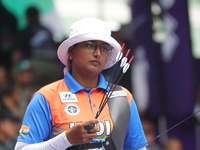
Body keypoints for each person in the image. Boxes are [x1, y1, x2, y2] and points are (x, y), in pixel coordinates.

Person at [14, 18, 147, 150]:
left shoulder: (122, 96)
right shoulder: (47, 96)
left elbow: (137, 148)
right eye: (90, 45)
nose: (97, 53)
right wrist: (66, 139)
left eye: (104, 48)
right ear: (71, 51)